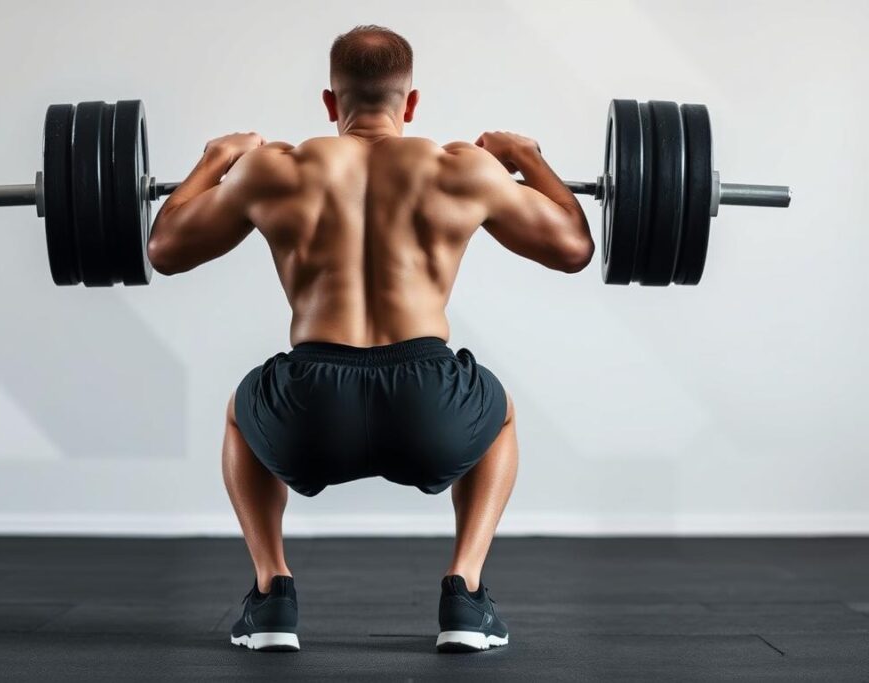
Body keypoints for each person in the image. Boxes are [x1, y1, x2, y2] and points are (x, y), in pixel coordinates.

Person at [147, 25, 592, 653]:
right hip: (430, 405)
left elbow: (165, 248)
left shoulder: (272, 168)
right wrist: (526, 157)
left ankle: (272, 595)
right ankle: (464, 592)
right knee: (500, 415)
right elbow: (573, 247)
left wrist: (216, 159)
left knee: (240, 415)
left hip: (309, 409)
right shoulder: (463, 167)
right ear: (410, 103)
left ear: (330, 103)